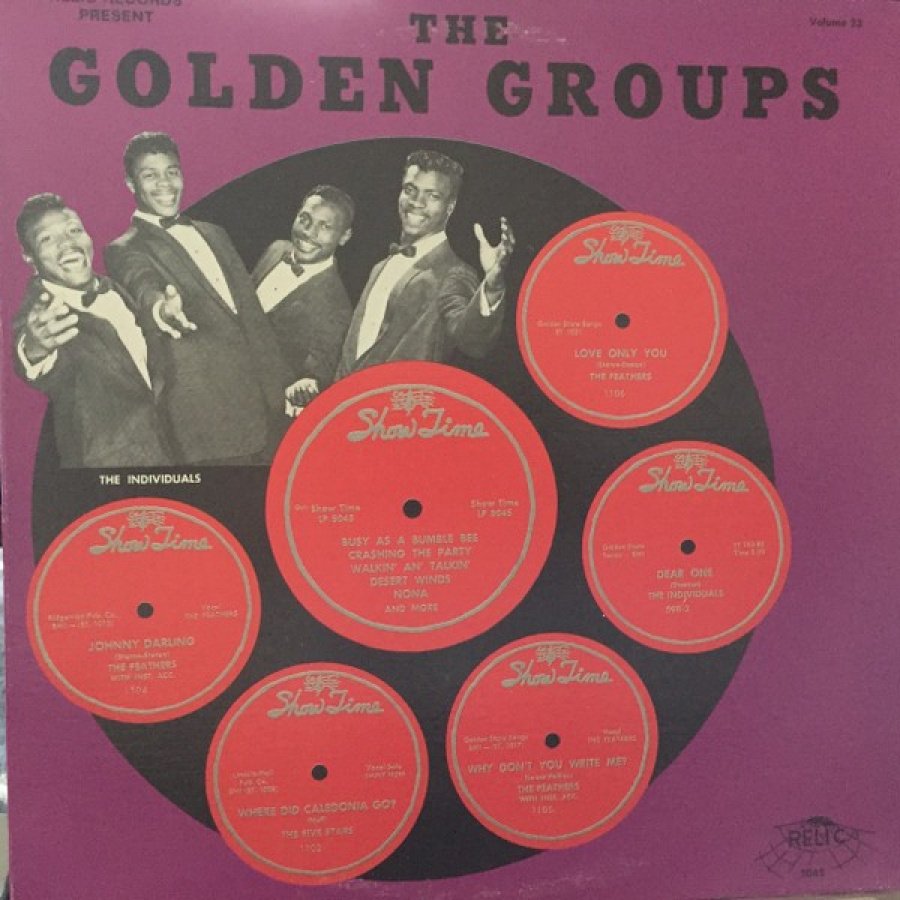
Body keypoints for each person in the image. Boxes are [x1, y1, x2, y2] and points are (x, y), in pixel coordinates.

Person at [104, 132, 291, 465]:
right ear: (131, 184)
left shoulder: (215, 233)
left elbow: (251, 316)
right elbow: (142, 285)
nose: (165, 183)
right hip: (207, 422)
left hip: (266, 409)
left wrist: (282, 387)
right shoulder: (124, 249)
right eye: (150, 175)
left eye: (172, 171)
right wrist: (162, 309)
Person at [12, 193, 172, 468]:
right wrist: (35, 348)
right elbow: (34, 360)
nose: (67, 243)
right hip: (103, 472)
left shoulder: (115, 289)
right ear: (29, 256)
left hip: (166, 456)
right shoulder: (40, 316)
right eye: (47, 239)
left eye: (74, 230)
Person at [335, 149, 515, 379]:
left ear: (450, 206)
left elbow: (473, 340)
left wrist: (492, 285)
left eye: (433, 196)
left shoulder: (454, 273)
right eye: (410, 190)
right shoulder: (380, 267)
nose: (417, 203)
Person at [251, 185, 353, 411]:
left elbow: (319, 369)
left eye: (325, 227)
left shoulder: (337, 308)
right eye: (305, 219)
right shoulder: (277, 249)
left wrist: (308, 383)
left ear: (344, 237)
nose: (308, 232)